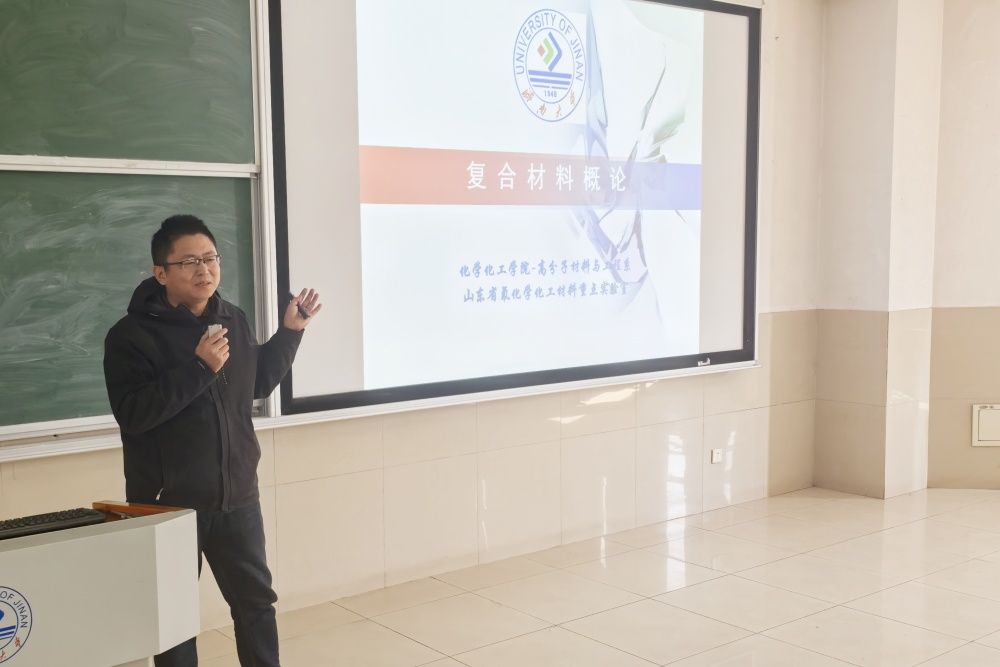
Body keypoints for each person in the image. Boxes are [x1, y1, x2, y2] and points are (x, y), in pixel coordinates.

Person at [103, 214, 321, 667]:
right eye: (189, 261)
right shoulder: (130, 337)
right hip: (168, 504)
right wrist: (200, 368)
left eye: (210, 258)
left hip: (236, 495)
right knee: (174, 619)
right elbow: (134, 414)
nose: (204, 269)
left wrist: (290, 333)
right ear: (161, 272)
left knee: (256, 604)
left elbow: (256, 384)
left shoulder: (232, 319)